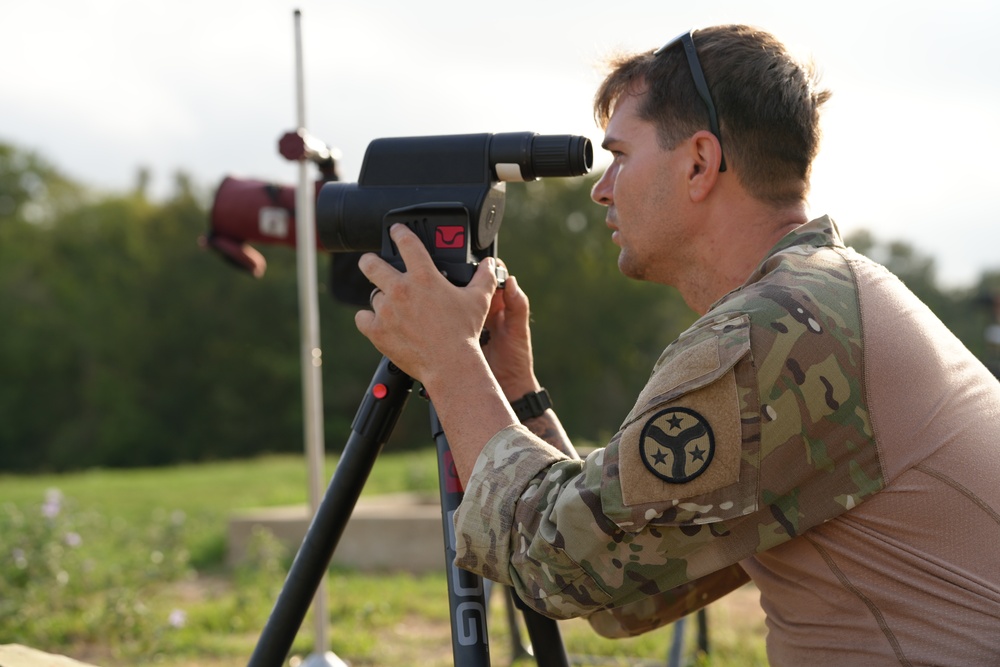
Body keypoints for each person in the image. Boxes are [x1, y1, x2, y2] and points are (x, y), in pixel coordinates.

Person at [354, 24, 1000, 665]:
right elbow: (624, 589)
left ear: (699, 162)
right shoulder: (827, 301)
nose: (603, 188)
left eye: (621, 157)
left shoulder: (779, 332)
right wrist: (514, 390)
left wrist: (449, 362)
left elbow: (556, 564)